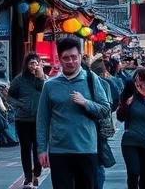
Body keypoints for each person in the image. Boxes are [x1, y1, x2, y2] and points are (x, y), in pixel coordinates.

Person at [37, 34, 112, 189]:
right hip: (59, 150)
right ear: (59, 58)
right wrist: (42, 149)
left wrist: (86, 103)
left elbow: (105, 109)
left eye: (74, 57)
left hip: (87, 149)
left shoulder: (91, 79)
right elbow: (42, 120)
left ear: (80, 56)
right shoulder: (50, 85)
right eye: (66, 58)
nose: (71, 61)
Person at [9, 54, 47, 188]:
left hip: (39, 120)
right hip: (23, 119)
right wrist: (19, 104)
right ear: (26, 64)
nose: (34, 66)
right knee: (25, 149)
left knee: (38, 148)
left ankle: (36, 172)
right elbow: (10, 95)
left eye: (36, 63)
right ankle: (27, 177)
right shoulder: (19, 80)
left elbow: (45, 92)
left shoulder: (43, 79)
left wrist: (41, 76)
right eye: (31, 63)